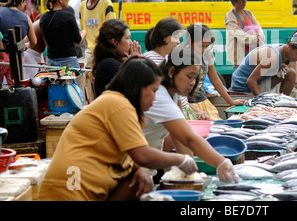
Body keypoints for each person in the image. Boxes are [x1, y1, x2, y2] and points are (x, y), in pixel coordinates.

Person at [38, 57, 197, 201]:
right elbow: (142, 155)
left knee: (137, 180)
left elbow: (131, 153)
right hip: (71, 186)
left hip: (84, 186)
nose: (155, 98)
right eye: (153, 91)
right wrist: (181, 160)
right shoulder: (118, 104)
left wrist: (140, 169)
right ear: (139, 87)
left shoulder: (121, 105)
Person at [143, 46, 239, 183]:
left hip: (145, 168)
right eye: (189, 76)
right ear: (171, 72)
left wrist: (191, 174)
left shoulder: (173, 94)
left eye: (195, 78)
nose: (193, 83)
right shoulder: (160, 96)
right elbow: (189, 138)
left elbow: (181, 139)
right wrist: (222, 162)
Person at [143, 18, 209, 121]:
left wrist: (196, 111)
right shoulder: (149, 60)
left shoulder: (169, 59)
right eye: (176, 37)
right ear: (165, 38)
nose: (178, 42)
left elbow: (180, 99)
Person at [185, 24, 245, 120]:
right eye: (200, 46)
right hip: (185, 105)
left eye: (207, 46)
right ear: (190, 41)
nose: (203, 49)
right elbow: (176, 94)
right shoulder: (181, 57)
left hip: (202, 102)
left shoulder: (207, 55)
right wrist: (193, 110)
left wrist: (230, 101)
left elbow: (215, 79)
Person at [230, 31, 297, 96]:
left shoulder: (284, 51)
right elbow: (251, 81)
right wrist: (263, 103)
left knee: (290, 73)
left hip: (257, 81)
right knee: (291, 73)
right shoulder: (272, 57)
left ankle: (282, 102)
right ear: (290, 45)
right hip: (242, 87)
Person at [39, 0, 86, 70]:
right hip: (68, 62)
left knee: (54, 82)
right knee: (69, 83)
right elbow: (78, 40)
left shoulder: (43, 17)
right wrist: (84, 32)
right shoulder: (68, 16)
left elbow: (47, 43)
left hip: (51, 62)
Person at [93, 19, 141, 97]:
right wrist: (135, 64)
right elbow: (133, 92)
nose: (131, 42)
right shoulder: (110, 64)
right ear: (114, 42)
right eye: (128, 38)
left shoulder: (112, 62)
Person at [79, 0, 117, 69]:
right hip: (89, 52)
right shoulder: (82, 6)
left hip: (103, 49)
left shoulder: (106, 3)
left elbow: (112, 28)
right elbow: (83, 30)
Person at [0, 0, 37, 85]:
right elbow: (34, 42)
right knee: (15, 87)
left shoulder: (0, 12)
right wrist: (25, 45)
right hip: (17, 59)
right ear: (21, 2)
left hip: (1, 56)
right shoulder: (26, 18)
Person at [225, 0, 265, 70]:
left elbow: (259, 28)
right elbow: (238, 34)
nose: (244, 2)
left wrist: (260, 37)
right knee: (241, 78)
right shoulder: (230, 16)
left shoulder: (248, 13)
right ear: (234, 1)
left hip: (253, 53)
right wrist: (256, 38)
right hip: (240, 55)